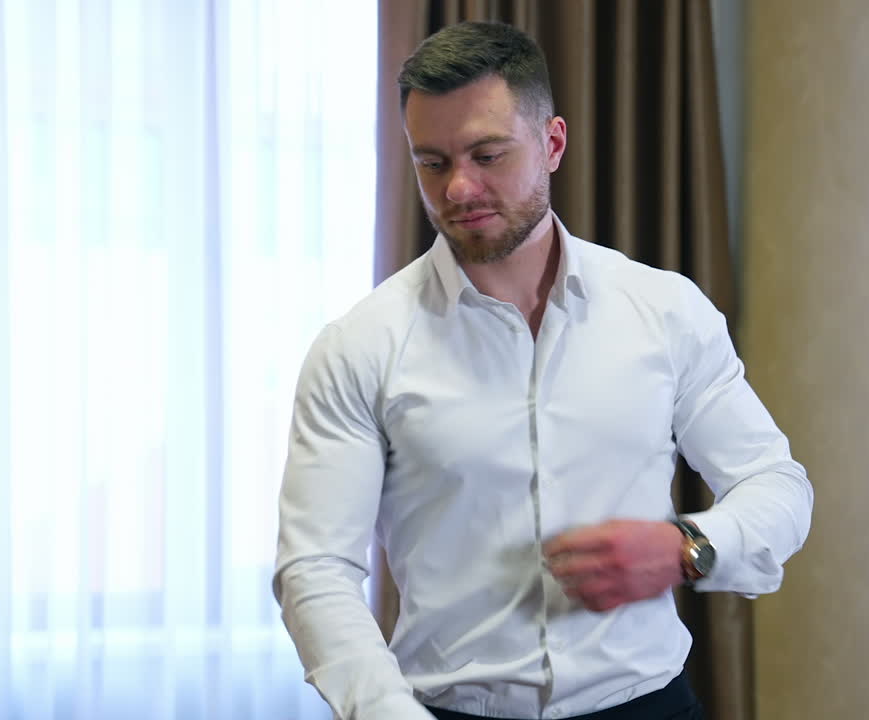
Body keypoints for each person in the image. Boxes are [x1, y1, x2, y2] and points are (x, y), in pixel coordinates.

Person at [273, 20, 812, 720]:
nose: (458, 187)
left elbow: (776, 483)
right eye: (432, 162)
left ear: (553, 144)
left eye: (487, 155)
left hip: (648, 706)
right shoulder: (359, 347)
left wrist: (688, 547)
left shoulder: (666, 311)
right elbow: (316, 568)